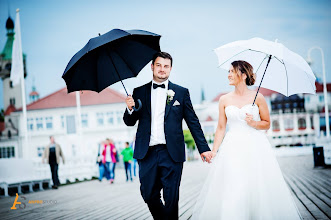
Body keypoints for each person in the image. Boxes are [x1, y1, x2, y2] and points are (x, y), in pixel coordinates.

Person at [192, 60, 301, 219]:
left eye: (232, 71)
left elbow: (267, 123)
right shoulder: (224, 99)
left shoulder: (259, 97)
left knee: (257, 184)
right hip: (232, 146)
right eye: (228, 71)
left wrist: (254, 123)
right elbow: (221, 127)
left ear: (243, 75)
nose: (228, 75)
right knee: (234, 184)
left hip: (255, 146)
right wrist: (214, 150)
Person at [123, 52, 212, 219]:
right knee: (148, 194)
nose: (162, 69)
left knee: (171, 198)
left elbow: (193, 122)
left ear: (170, 69)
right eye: (159, 65)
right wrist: (129, 108)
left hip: (172, 153)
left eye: (166, 66)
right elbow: (129, 122)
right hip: (146, 153)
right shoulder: (138, 92)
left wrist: (204, 148)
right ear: (152, 67)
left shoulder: (181, 92)